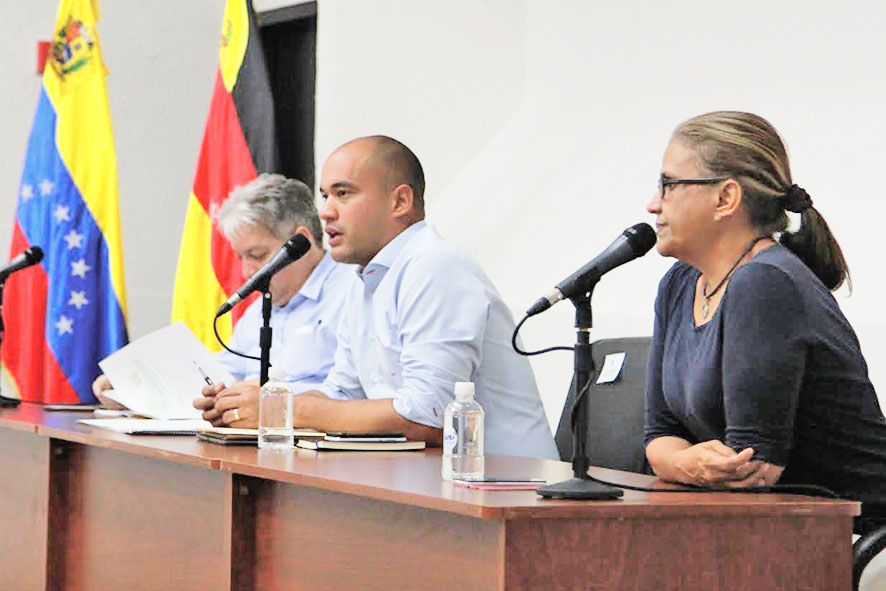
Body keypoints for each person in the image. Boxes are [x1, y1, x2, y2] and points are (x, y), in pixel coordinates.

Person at [210, 135, 558, 459]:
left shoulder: (434, 266)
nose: (326, 212)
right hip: (433, 482)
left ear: (400, 202)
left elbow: (427, 418)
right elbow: (342, 395)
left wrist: (281, 409)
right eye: (325, 196)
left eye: (343, 194)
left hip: (511, 492)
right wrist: (245, 404)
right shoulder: (365, 281)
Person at [644, 111, 886, 525]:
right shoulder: (680, 283)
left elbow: (753, 471)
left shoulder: (766, 283)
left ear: (726, 198)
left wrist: (683, 462)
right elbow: (657, 437)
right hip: (781, 526)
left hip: (854, 534)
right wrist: (685, 461)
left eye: (668, 185)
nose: (653, 204)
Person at [95, 174, 355, 425]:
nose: (247, 272)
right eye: (241, 257)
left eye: (257, 254)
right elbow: (219, 373)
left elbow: (356, 390)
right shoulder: (259, 310)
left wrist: (269, 392)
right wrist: (134, 387)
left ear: (301, 242)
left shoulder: (352, 291)